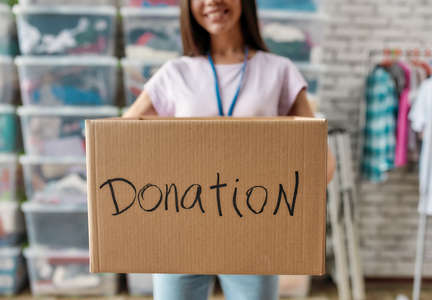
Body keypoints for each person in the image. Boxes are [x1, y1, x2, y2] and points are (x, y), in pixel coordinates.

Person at [124, 0, 336, 299]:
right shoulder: (175, 73)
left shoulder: (279, 70)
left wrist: (298, 196)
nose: (212, 1)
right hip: (182, 233)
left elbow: (319, 156)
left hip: (253, 233)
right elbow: (120, 142)